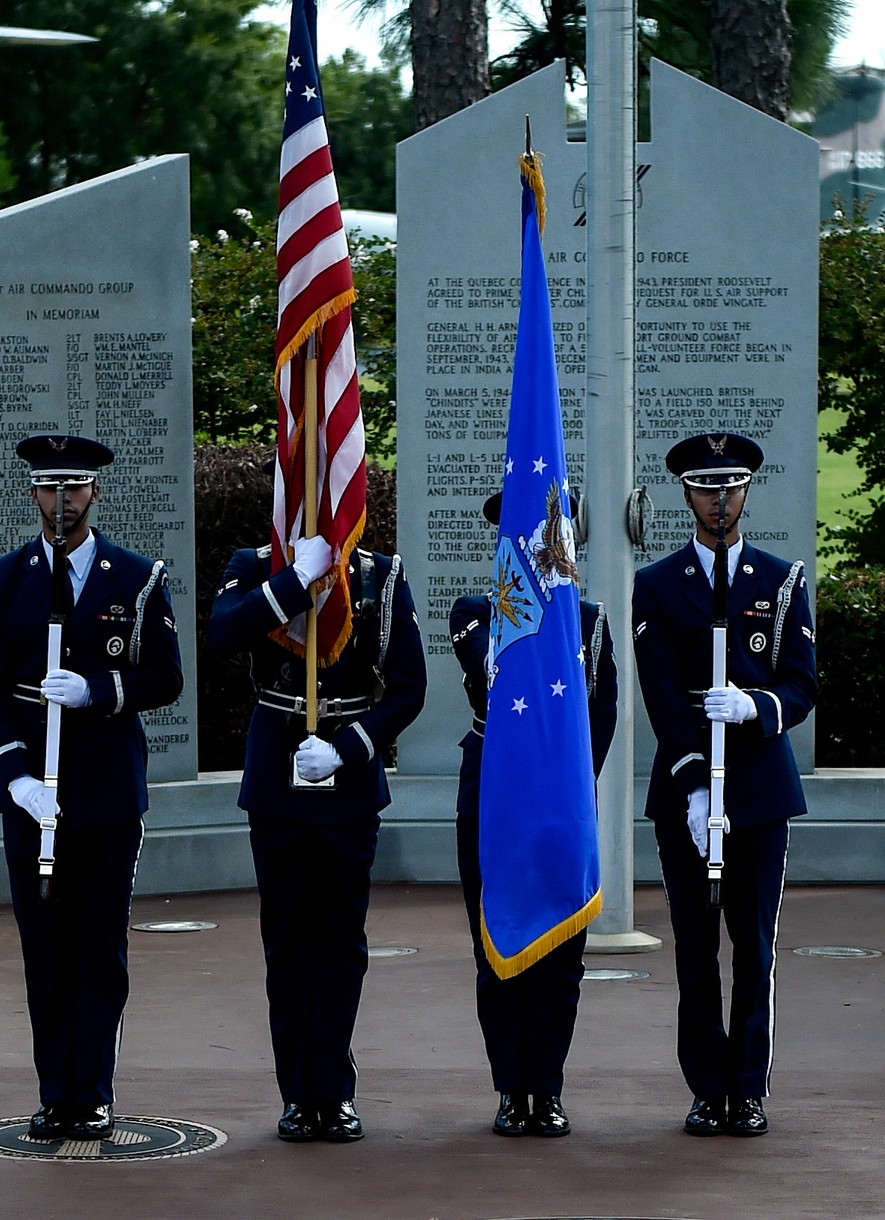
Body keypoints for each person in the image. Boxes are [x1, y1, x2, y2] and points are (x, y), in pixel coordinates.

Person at [0, 434, 183, 1142]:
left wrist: (97, 689)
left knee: (98, 946)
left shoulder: (136, 577)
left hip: (105, 792)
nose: (61, 502)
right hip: (34, 792)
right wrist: (15, 773)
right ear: (32, 494)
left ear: (95, 492)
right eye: (49, 488)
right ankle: (53, 1091)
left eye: (75, 488)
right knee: (45, 946)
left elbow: (165, 677)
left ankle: (92, 1090)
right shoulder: (3, 579)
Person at [208, 517, 426, 1144]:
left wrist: (349, 748)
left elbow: (408, 688)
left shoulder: (380, 577)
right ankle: (298, 1094)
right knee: (285, 938)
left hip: (346, 780)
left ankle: (333, 1089)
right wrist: (293, 581)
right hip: (278, 772)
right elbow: (223, 633)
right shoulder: (254, 566)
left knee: (338, 939)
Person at [632, 431, 816, 1139]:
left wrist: (755, 705)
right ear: (687, 494)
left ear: (747, 493)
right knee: (695, 944)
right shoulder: (656, 585)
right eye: (708, 488)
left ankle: (749, 1088)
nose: (720, 500)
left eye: (732, 487)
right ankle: (707, 1087)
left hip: (761, 792)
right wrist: (693, 789)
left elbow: (800, 685)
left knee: (755, 946)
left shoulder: (782, 580)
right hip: (687, 798)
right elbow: (662, 698)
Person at [449, 490, 618, 1139]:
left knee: (561, 955)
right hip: (491, 795)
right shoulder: (477, 614)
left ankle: (545, 1087)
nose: (534, 544)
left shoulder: (592, 621)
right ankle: (509, 1086)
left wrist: (570, 785)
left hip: (560, 805)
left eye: (547, 534)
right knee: (494, 944)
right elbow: (492, 667)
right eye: (519, 535)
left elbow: (602, 716)